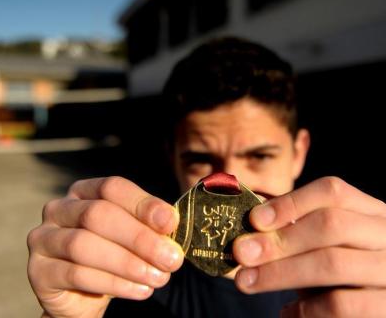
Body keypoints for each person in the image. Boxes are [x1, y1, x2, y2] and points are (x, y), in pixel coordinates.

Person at [27, 37, 386, 318]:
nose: (231, 181)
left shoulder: (354, 275)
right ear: (172, 158)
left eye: (260, 155)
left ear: (299, 152)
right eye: (200, 159)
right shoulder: (130, 279)